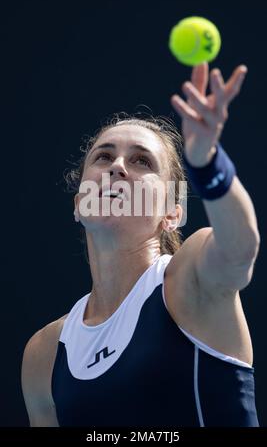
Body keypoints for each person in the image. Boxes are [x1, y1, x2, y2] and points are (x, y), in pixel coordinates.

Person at [21, 62, 260, 427]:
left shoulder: (189, 279)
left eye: (141, 161)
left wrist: (208, 165)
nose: (117, 166)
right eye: (103, 156)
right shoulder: (44, 354)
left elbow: (239, 249)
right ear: (78, 205)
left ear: (171, 213)